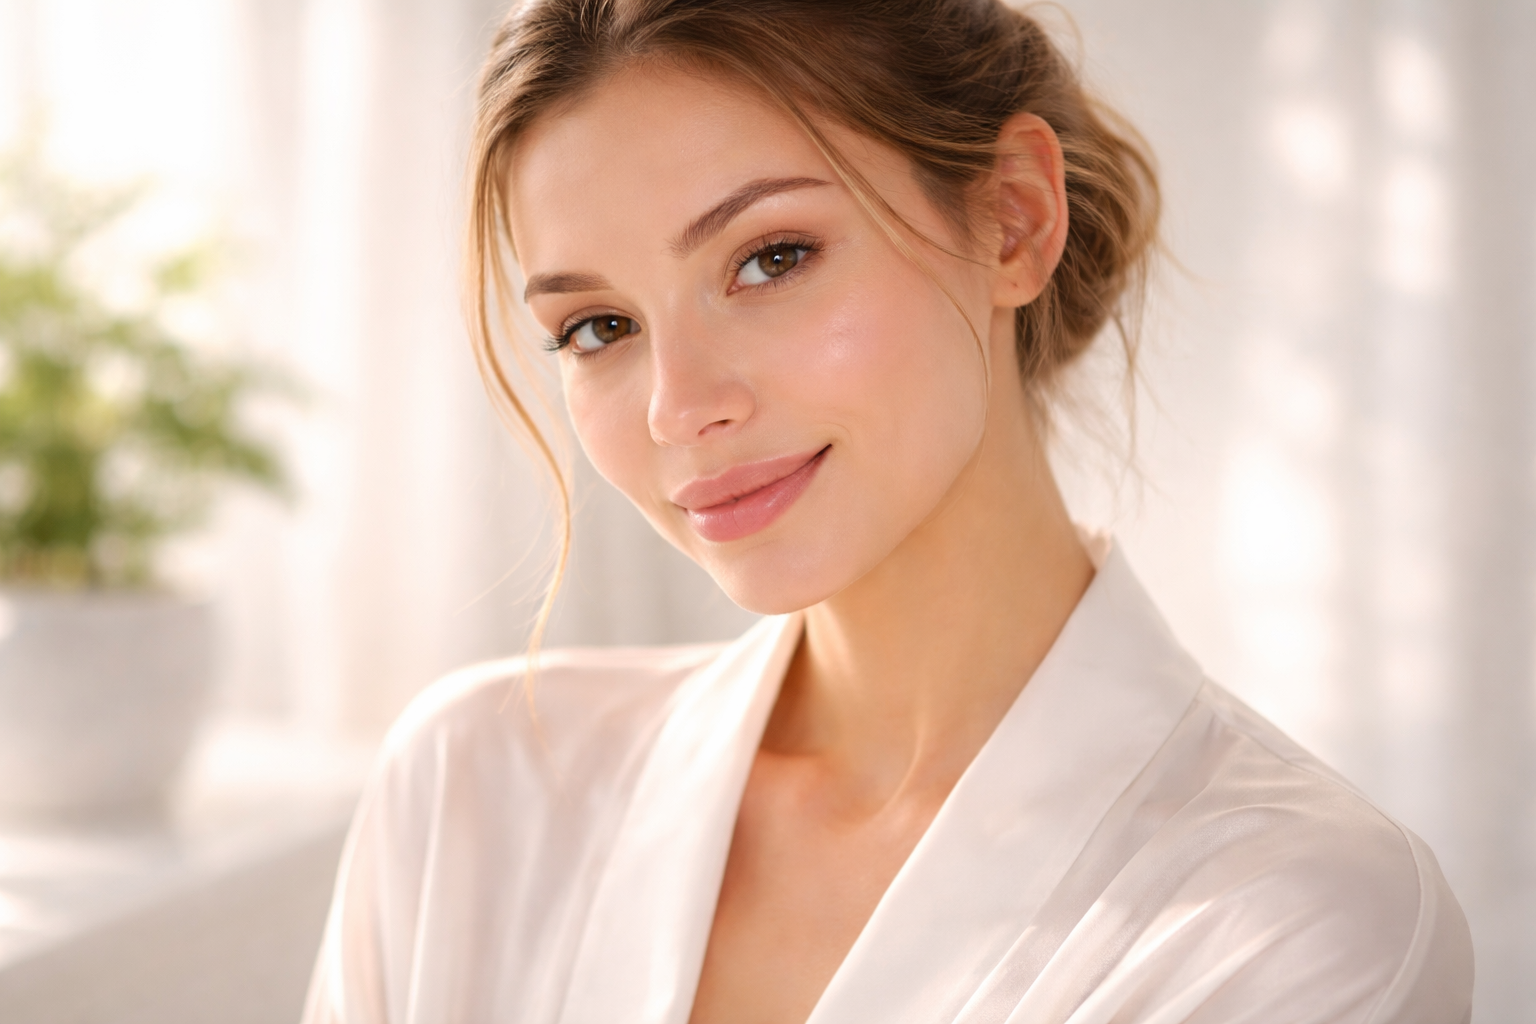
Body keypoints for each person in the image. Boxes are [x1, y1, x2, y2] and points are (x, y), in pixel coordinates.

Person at [302, 1, 1474, 1021]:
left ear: (1012, 219)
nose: (678, 407)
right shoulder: (474, 790)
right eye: (598, 327)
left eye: (772, 257)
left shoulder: (1292, 922)